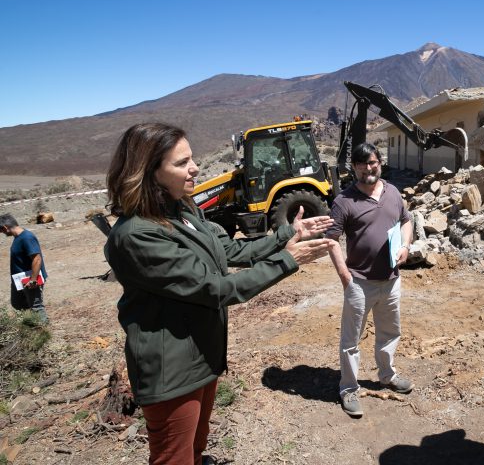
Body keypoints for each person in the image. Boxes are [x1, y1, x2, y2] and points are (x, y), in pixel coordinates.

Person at [104, 122, 332, 465]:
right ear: (149, 172)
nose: (194, 168)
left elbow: (229, 252)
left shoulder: (183, 210)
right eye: (181, 163)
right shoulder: (137, 235)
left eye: (191, 159)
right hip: (172, 369)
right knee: (173, 458)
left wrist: (287, 233)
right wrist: (287, 261)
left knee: (196, 446)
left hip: (202, 353)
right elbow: (215, 289)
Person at [326, 142, 414, 417]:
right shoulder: (344, 201)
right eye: (362, 164)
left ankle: (387, 375)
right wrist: (345, 277)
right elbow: (331, 241)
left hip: (390, 279)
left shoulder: (392, 192)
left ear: (379, 163)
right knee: (351, 340)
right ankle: (348, 389)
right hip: (359, 282)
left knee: (389, 333)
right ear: (354, 167)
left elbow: (406, 220)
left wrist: (405, 247)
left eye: (373, 162)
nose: (369, 168)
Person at [1, 213, 49, 323]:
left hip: (31, 280)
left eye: (1, 231)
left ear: (5, 227)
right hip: (20, 280)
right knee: (18, 303)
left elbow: (37, 259)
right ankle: (33, 324)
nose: (1, 233)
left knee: (36, 307)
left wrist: (33, 280)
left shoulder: (27, 237)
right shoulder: (18, 238)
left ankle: (43, 329)